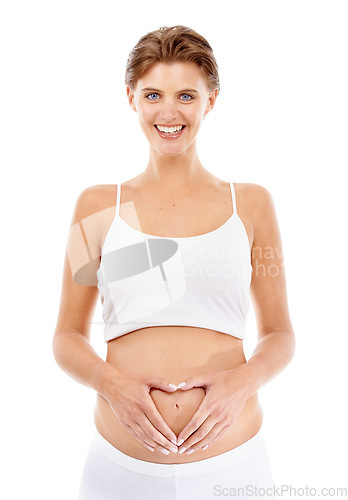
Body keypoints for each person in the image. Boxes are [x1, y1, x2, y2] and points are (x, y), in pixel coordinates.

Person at [53, 25, 296, 500]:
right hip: (118, 469)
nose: (169, 112)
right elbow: (66, 336)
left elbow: (280, 334)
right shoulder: (96, 207)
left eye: (186, 95)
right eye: (152, 95)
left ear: (211, 100)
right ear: (131, 99)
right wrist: (113, 385)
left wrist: (241, 384)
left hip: (235, 466)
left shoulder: (251, 205)